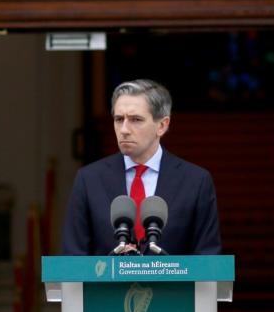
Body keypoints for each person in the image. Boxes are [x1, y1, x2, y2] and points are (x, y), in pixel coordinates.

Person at [62, 78, 222, 256]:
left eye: (135, 120)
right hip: (107, 284)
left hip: (172, 284)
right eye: (118, 119)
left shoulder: (196, 181)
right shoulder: (89, 179)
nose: (124, 129)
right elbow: (73, 259)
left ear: (162, 125)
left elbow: (208, 259)